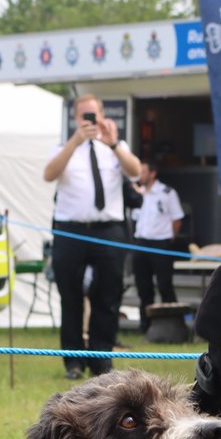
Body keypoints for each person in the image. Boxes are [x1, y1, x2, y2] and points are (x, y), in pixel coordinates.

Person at [43, 94, 141, 379]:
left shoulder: (115, 146)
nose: (89, 121)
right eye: (83, 116)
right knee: (70, 294)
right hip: (71, 229)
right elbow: (49, 174)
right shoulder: (63, 148)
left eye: (93, 115)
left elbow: (134, 171)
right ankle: (73, 360)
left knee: (108, 296)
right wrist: (74, 142)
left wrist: (112, 143)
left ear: (102, 116)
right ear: (75, 119)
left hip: (108, 227)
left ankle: (101, 360)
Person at [129, 159, 185, 333]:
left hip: (160, 243)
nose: (140, 176)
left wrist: (169, 239)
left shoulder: (167, 193)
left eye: (143, 172)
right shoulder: (138, 194)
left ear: (153, 173)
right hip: (141, 243)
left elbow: (177, 219)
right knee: (143, 287)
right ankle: (145, 325)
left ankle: (174, 325)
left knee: (165, 285)